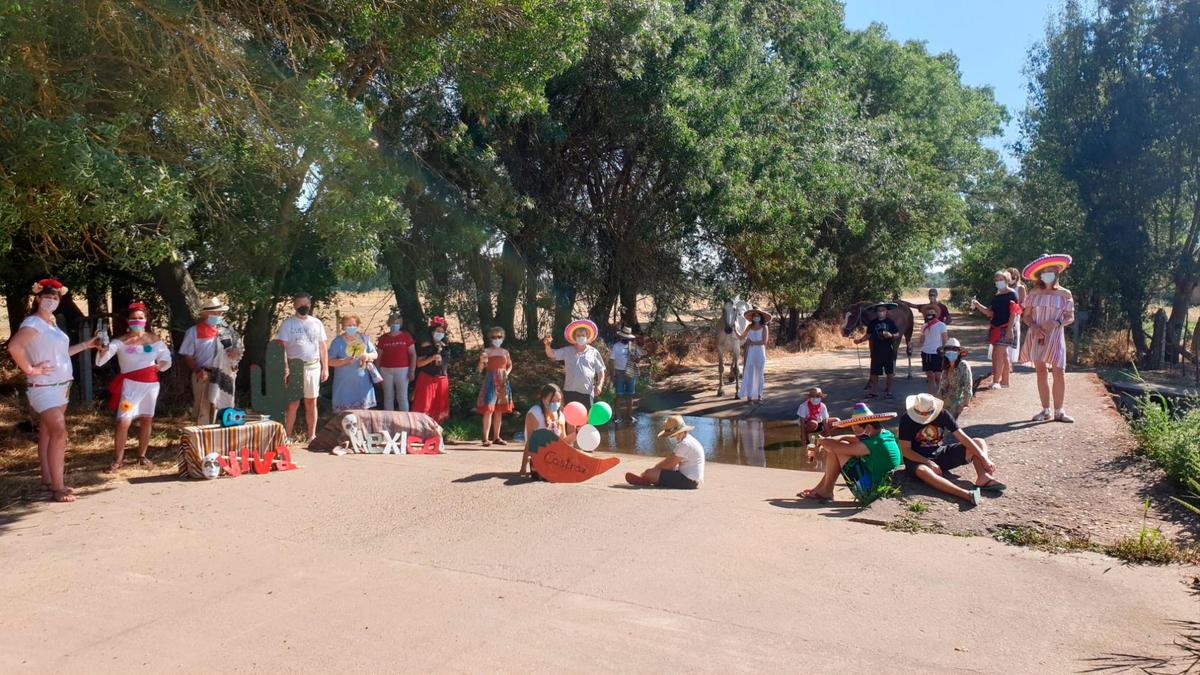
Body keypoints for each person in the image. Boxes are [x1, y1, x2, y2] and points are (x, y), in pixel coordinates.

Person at [6, 279, 99, 502]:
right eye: (47, 297)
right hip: (43, 387)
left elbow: (62, 352)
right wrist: (29, 369)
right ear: (38, 299)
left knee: (48, 434)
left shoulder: (52, 324)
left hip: (61, 386)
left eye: (55, 298)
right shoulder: (34, 322)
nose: (51, 301)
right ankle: (58, 487)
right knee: (59, 431)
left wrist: (87, 345)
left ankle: (48, 479)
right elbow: (14, 347)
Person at [95, 302, 172, 472]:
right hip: (130, 387)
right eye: (133, 318)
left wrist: (162, 365)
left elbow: (166, 357)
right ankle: (118, 460)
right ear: (127, 320)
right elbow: (102, 359)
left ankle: (142, 456)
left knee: (146, 419)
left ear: (146, 319)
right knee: (123, 421)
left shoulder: (154, 339)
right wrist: (101, 349)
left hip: (150, 386)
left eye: (140, 318)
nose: (137, 321)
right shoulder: (120, 341)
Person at [897, 393, 1005, 507]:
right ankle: (965, 494)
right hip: (918, 459)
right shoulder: (906, 419)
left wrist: (984, 459)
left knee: (978, 442)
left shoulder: (943, 414)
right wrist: (928, 462)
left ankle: (983, 477)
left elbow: (963, 437)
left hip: (939, 452)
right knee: (923, 471)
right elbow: (906, 450)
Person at [798, 403, 901, 501]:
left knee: (839, 451)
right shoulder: (884, 434)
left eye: (857, 431)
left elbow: (836, 449)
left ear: (868, 427)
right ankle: (821, 489)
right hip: (882, 485)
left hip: (872, 492)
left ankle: (825, 491)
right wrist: (837, 438)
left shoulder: (872, 443)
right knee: (838, 447)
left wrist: (822, 442)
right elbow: (855, 438)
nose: (856, 434)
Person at [1018, 254, 1076, 423]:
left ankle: (1060, 411)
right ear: (1039, 275)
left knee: (1059, 371)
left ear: (1057, 272)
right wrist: (1034, 327)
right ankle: (1045, 410)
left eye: (1051, 270)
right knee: (1041, 371)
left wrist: (1056, 322)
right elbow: (1026, 316)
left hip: (1056, 336)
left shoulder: (1065, 294)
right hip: (1037, 336)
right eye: (1044, 271)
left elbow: (1070, 317)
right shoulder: (1034, 293)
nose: (1047, 274)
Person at [178, 296, 242, 424]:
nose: (218, 315)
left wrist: (236, 353)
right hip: (204, 374)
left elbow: (238, 349)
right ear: (205, 314)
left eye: (219, 312)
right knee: (203, 410)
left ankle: (219, 441)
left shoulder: (227, 331)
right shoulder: (193, 331)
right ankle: (203, 441)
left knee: (222, 408)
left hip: (224, 374)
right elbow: (187, 355)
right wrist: (197, 370)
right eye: (215, 312)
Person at [276, 293, 329, 441]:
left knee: (311, 402)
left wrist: (325, 368)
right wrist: (285, 367)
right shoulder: (288, 324)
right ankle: (288, 435)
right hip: (295, 367)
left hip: (313, 366)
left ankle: (312, 436)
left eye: (306, 304)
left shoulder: (317, 323)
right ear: (294, 305)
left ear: (310, 305)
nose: (303, 307)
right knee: (293, 403)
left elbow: (322, 346)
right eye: (300, 304)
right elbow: (282, 347)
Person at [624, 415, 705, 489]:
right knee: (654, 472)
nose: (672, 437)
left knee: (650, 473)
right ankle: (650, 479)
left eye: (672, 435)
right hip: (691, 479)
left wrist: (651, 472)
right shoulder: (688, 440)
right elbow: (669, 460)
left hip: (687, 481)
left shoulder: (685, 444)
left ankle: (648, 479)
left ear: (680, 432)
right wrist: (656, 469)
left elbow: (669, 465)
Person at [970, 270, 1020, 390]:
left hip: (1006, 327)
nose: (998, 282)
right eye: (996, 280)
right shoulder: (996, 296)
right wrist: (977, 305)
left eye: (1000, 279)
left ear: (1007, 280)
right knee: (1002, 355)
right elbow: (990, 313)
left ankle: (996, 381)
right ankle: (1005, 381)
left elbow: (1014, 312)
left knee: (998, 353)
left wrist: (1009, 330)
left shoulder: (1012, 294)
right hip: (995, 327)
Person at [543, 319, 606, 410]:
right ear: (574, 337)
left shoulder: (594, 352)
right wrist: (547, 345)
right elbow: (551, 354)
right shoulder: (567, 350)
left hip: (587, 392)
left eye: (583, 335)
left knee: (586, 419)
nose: (581, 337)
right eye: (578, 335)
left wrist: (599, 385)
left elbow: (601, 371)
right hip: (570, 391)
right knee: (570, 420)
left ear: (587, 336)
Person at [520, 383, 577, 477]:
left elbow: (563, 442)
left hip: (555, 459)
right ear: (543, 400)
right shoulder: (535, 413)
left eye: (558, 400)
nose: (556, 403)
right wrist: (523, 468)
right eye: (552, 400)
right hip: (538, 457)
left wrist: (576, 433)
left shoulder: (560, 416)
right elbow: (530, 442)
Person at [328, 315, 378, 412]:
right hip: (343, 386)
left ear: (358, 325)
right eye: (348, 325)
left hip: (363, 385)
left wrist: (367, 356)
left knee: (363, 416)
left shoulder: (364, 339)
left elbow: (375, 354)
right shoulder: (337, 342)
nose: (351, 327)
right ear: (343, 327)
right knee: (345, 416)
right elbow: (330, 361)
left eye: (353, 325)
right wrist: (344, 361)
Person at [477, 326, 514, 447]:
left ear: (503, 337)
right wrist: (482, 362)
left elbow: (509, 365)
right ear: (490, 338)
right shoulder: (487, 352)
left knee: (499, 410)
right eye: (494, 337)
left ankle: (497, 437)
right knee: (488, 409)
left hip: (503, 381)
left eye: (499, 337)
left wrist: (506, 374)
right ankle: (485, 438)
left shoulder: (505, 352)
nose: (497, 339)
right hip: (490, 381)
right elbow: (480, 369)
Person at [854, 302, 898, 399]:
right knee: (874, 373)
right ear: (876, 312)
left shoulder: (890, 322)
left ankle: (889, 391)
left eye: (882, 310)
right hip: (876, 350)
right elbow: (868, 335)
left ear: (886, 311)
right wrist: (860, 340)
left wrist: (890, 335)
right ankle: (874, 392)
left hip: (888, 350)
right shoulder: (872, 323)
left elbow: (897, 334)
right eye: (879, 310)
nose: (880, 312)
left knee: (889, 372)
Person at [412, 317, 451, 422]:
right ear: (432, 331)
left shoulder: (446, 346)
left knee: (439, 407)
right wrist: (431, 358)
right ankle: (421, 431)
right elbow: (419, 364)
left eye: (442, 332)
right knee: (424, 406)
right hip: (427, 378)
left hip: (442, 378)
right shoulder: (426, 345)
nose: (440, 333)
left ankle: (436, 431)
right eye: (438, 331)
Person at [376, 313, 416, 411]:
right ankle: (389, 421)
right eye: (393, 322)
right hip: (385, 370)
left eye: (397, 322)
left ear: (401, 324)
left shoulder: (406, 336)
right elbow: (378, 357)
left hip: (403, 370)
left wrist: (412, 371)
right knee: (388, 396)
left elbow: (413, 354)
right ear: (389, 323)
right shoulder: (383, 338)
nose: (395, 324)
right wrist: (377, 373)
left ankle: (404, 421)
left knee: (402, 396)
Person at [610, 326, 644, 423]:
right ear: (621, 336)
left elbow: (638, 359)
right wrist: (612, 375)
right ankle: (616, 417)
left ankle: (629, 416)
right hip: (619, 372)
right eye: (625, 337)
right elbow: (611, 361)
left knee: (630, 395)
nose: (626, 339)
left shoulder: (633, 346)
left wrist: (636, 359)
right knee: (619, 395)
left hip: (631, 372)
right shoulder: (616, 346)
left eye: (628, 337)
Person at [737, 308, 770, 405]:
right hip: (750, 352)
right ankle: (749, 397)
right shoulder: (749, 327)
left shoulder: (764, 327)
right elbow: (741, 337)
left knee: (760, 373)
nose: (756, 317)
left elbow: (764, 342)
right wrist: (734, 329)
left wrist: (752, 342)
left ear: (761, 317)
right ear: (752, 317)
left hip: (760, 352)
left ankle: (759, 395)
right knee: (749, 373)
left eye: (758, 315)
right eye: (755, 316)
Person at [937, 338, 974, 418]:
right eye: (948, 349)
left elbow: (968, 386)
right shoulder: (945, 368)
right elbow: (941, 390)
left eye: (954, 349)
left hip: (958, 406)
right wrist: (938, 408)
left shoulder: (963, 365)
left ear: (959, 352)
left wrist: (966, 405)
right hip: (945, 407)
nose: (951, 351)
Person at [918, 303, 949, 394]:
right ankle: (931, 397)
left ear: (936, 313)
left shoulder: (941, 325)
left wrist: (945, 352)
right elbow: (921, 341)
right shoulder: (924, 326)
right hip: (926, 353)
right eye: (927, 313)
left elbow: (945, 340)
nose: (929, 315)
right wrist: (912, 344)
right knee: (930, 377)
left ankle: (941, 396)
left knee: (938, 376)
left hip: (937, 353)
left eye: (932, 312)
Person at [1005, 267, 1026, 365]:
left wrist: (1014, 309)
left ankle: (1008, 371)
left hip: (1014, 320)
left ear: (1017, 277)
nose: (1012, 278)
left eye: (1014, 276)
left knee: (1010, 348)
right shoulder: (1003, 289)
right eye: (1010, 276)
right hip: (1001, 319)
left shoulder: (1020, 288)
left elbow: (1023, 305)